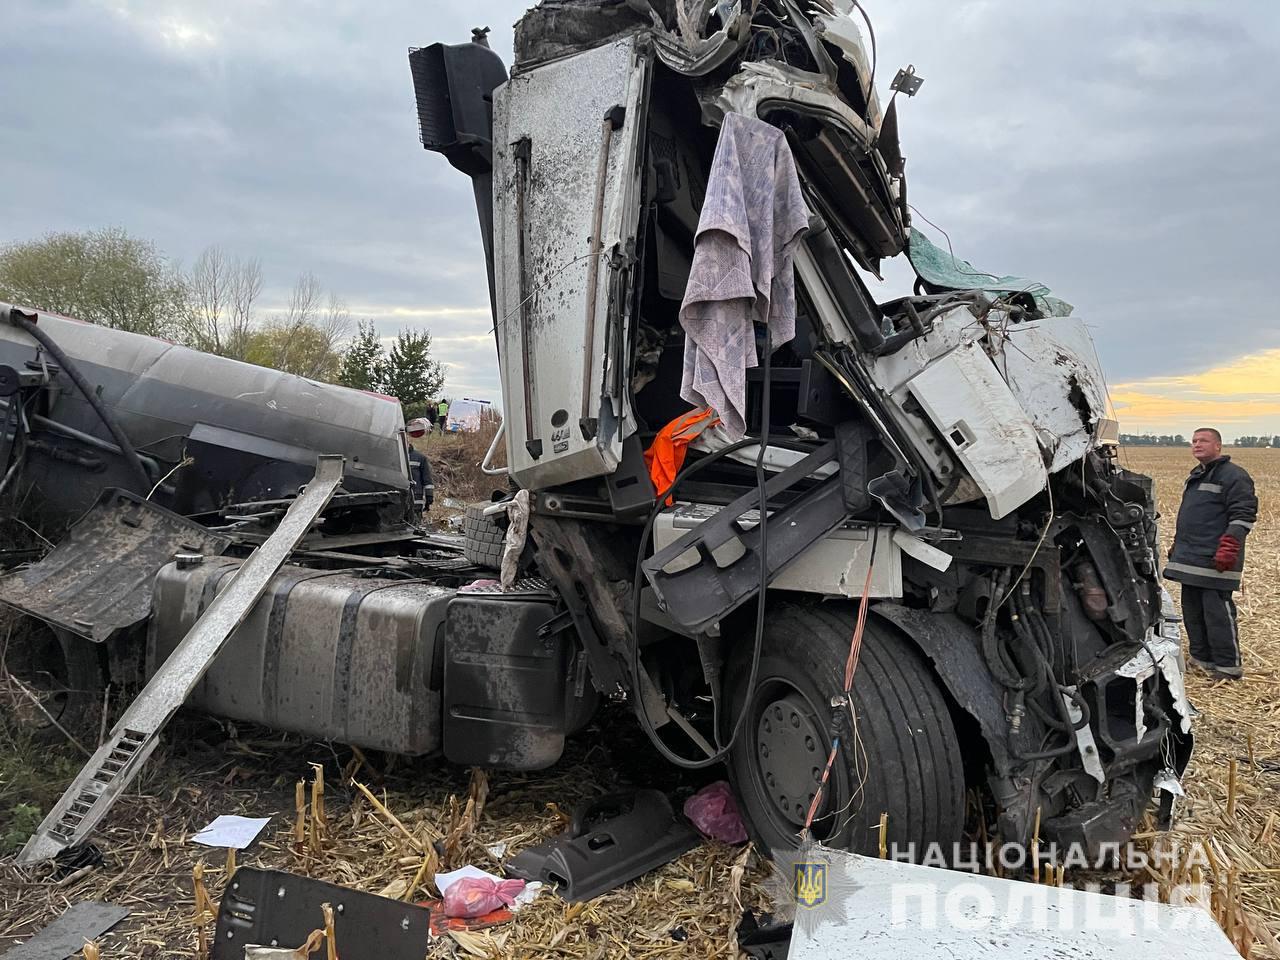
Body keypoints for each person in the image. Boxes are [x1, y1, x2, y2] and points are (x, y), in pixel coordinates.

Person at [1163, 427, 1258, 680]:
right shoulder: (1196, 476)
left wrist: (1229, 547)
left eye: (1203, 440)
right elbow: (1193, 518)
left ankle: (1227, 667)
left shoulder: (1234, 476)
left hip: (1215, 560)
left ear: (1218, 446)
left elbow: (1244, 515)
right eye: (1193, 441)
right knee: (1193, 611)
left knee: (1216, 613)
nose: (1196, 444)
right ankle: (1201, 659)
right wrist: (1177, 544)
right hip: (1191, 559)